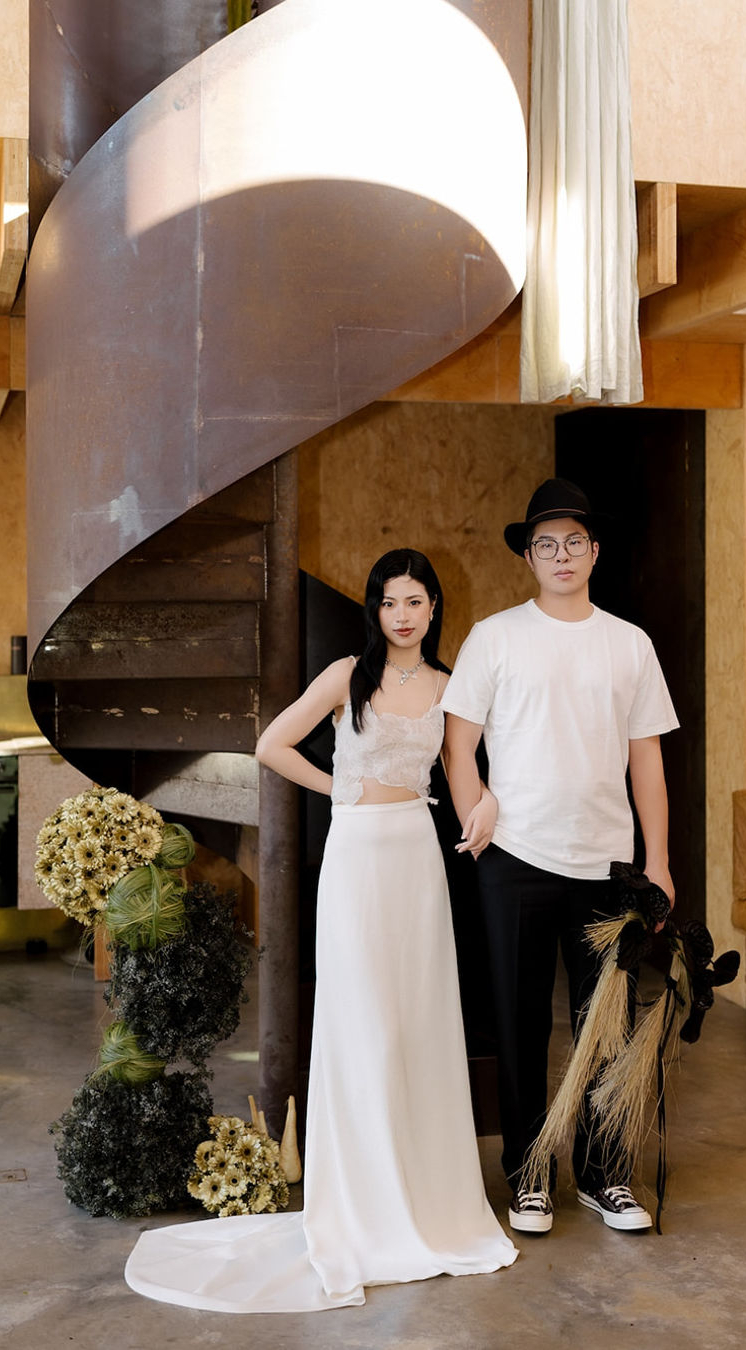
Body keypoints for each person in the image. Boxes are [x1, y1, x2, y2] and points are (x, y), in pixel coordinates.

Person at [125, 548, 516, 1312]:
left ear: (434, 607)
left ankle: (423, 1200)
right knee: (367, 1026)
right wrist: (340, 786)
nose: (402, 615)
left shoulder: (448, 685)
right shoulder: (346, 676)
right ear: (375, 609)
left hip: (417, 860)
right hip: (358, 859)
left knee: (417, 1026)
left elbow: (465, 771)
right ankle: (366, 1207)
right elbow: (271, 744)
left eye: (415, 601)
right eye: (390, 602)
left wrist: (491, 804)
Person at [441, 478, 679, 1236]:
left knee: (604, 1026)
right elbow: (458, 744)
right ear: (529, 557)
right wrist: (476, 807)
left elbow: (647, 760)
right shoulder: (495, 636)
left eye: (575, 541)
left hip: (608, 865)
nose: (562, 555)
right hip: (514, 858)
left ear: (595, 551)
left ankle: (605, 1177)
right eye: (546, 544)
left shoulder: (630, 643)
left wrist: (659, 860)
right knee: (518, 1026)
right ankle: (529, 1176)